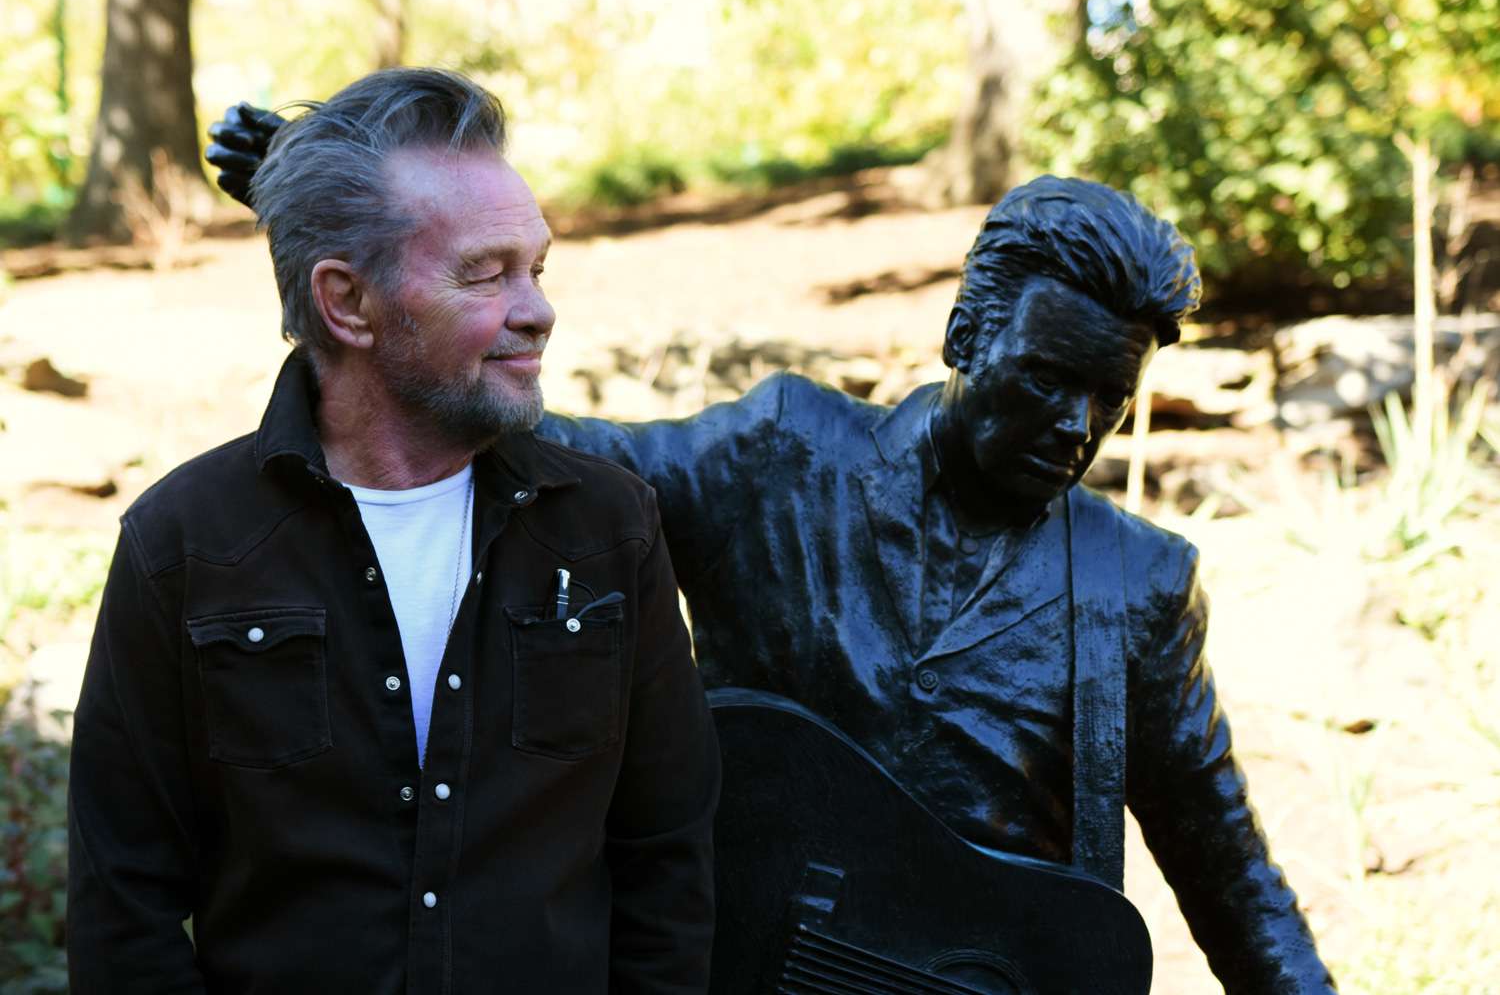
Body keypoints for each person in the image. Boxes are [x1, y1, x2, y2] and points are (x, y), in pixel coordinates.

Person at [208, 112, 1335, 990]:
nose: (1077, 426)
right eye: (1047, 380)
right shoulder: (786, 457)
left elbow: (1229, 869)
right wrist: (350, 259)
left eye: (1110, 398)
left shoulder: (1138, 583)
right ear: (964, 337)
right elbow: (559, 455)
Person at [69, 68, 720, 995]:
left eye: (536, 267)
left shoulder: (609, 528)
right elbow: (121, 906)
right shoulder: (183, 543)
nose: (537, 309)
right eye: (486, 273)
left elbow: (670, 858)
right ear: (347, 303)